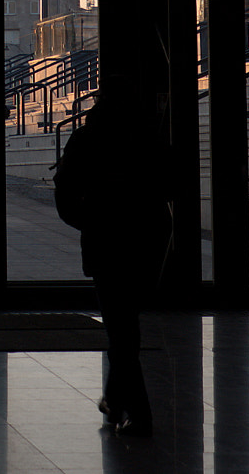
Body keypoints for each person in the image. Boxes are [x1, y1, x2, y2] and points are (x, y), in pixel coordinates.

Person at [54, 97, 174, 438]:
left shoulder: (87, 139)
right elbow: (171, 184)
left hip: (106, 243)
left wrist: (89, 221)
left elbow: (65, 195)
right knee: (126, 326)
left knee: (121, 327)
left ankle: (137, 411)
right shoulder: (147, 139)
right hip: (146, 241)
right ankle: (115, 398)